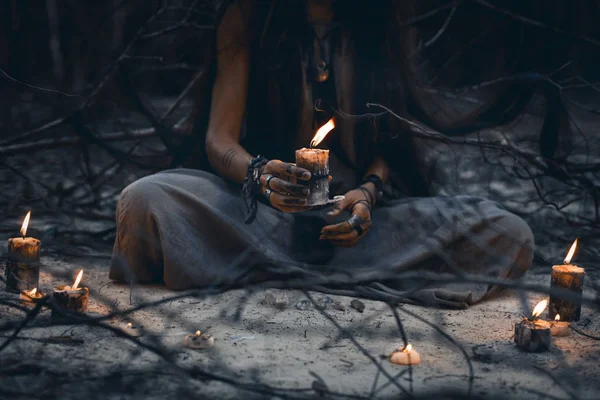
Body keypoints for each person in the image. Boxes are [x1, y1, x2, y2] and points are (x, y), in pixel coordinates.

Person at [108, 0, 534, 308]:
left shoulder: (377, 21)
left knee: (509, 232)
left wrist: (367, 194)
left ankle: (262, 269)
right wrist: (259, 175)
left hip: (355, 230)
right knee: (144, 200)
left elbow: (388, 145)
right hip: (258, 218)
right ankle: (312, 269)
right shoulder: (249, 15)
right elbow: (219, 140)